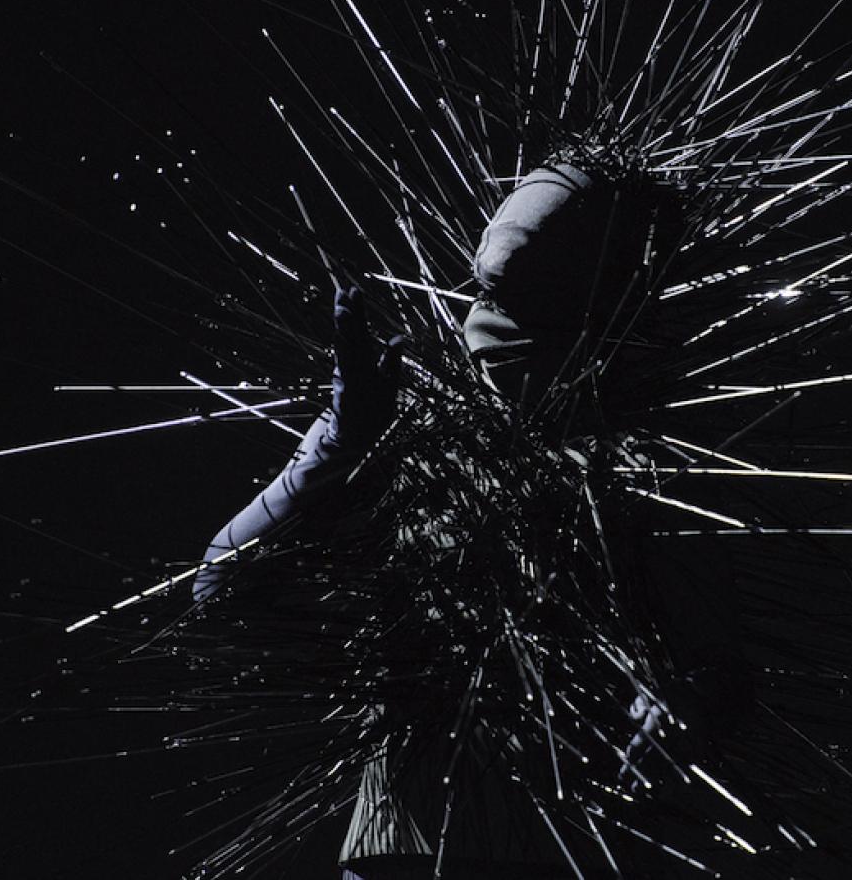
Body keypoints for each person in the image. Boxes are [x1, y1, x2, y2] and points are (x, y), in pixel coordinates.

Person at [195, 154, 752, 878]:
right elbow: (220, 592)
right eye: (488, 298)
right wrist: (336, 444)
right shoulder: (410, 439)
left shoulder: (638, 478)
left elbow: (718, 668)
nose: (486, 329)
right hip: (398, 848)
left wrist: (683, 705)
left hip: (555, 845)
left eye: (524, 308)